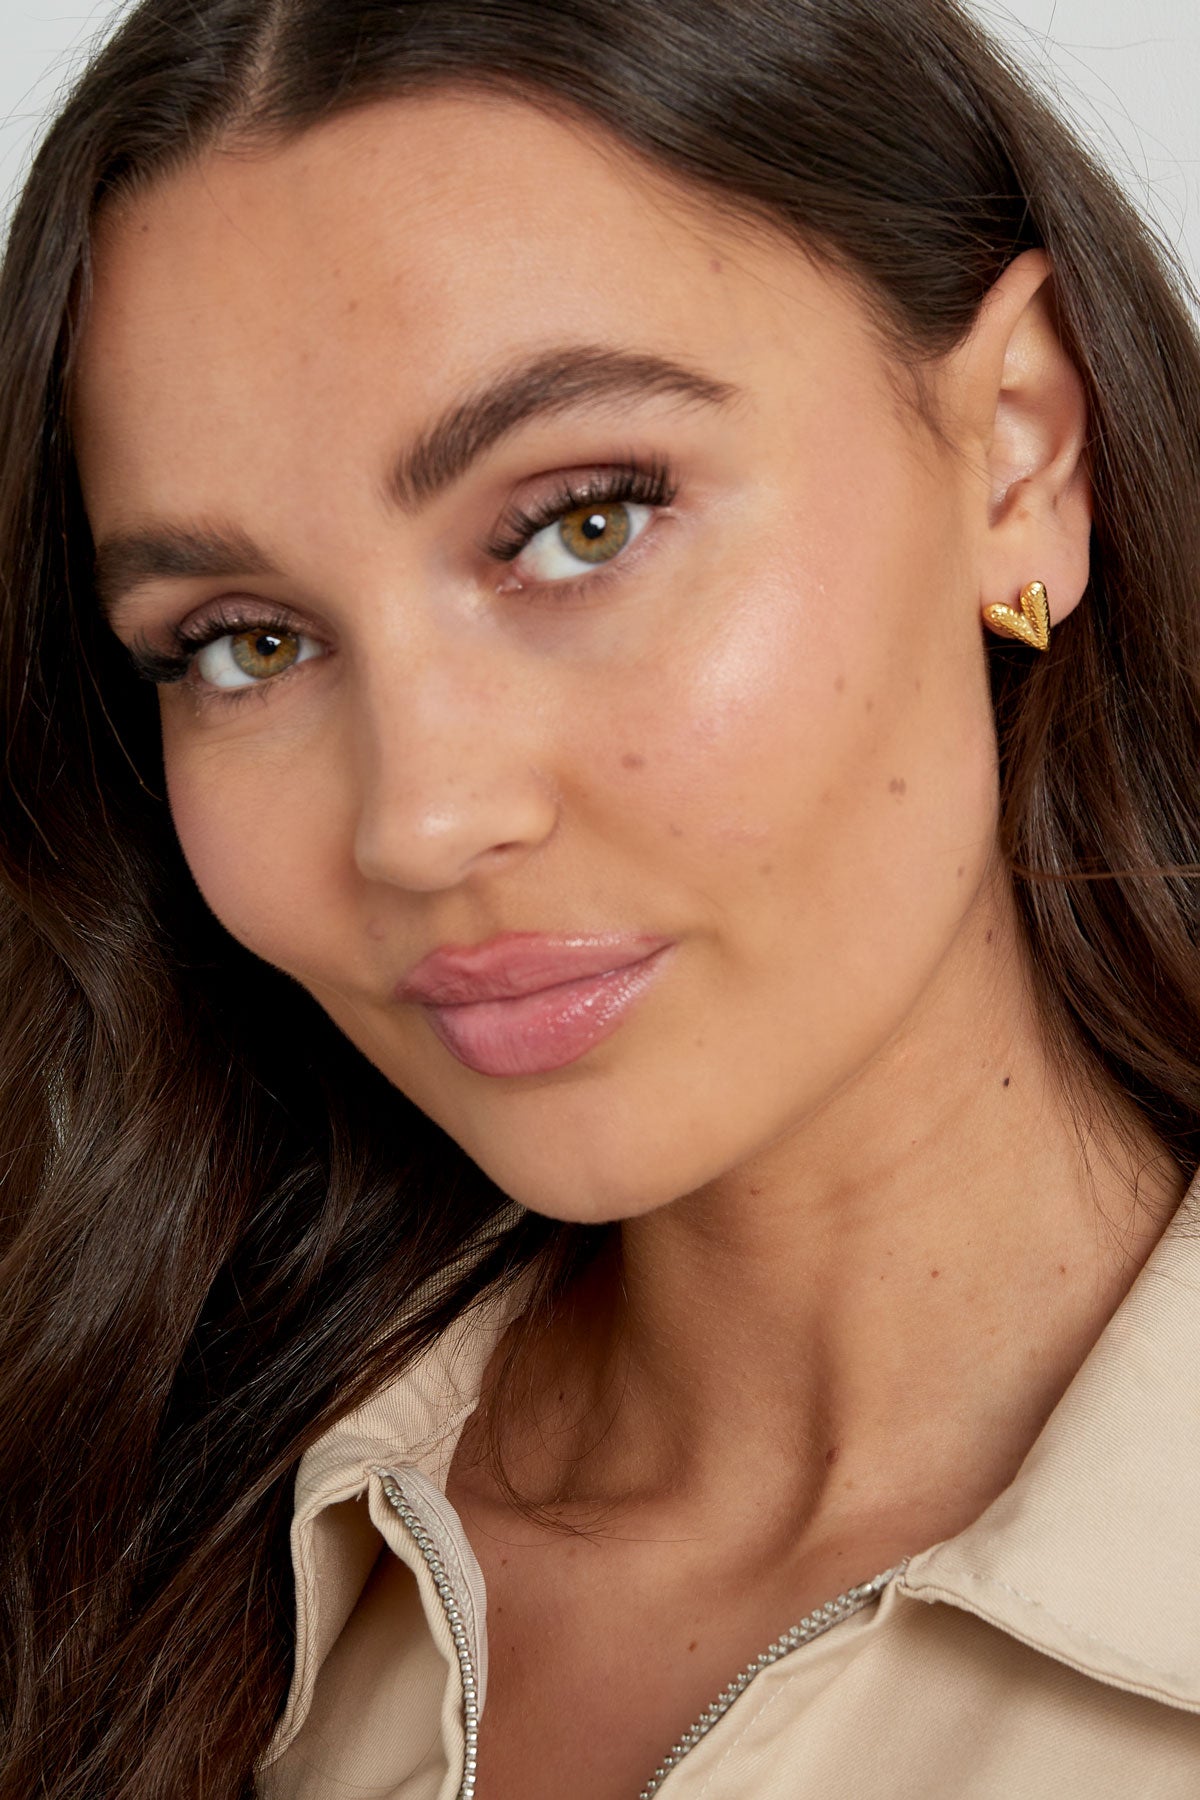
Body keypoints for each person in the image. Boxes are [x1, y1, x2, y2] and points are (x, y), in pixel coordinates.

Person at [1, 0, 1198, 1794]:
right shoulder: (98, 1525)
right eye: (243, 644)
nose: (419, 819)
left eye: (583, 521)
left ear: (1018, 455)